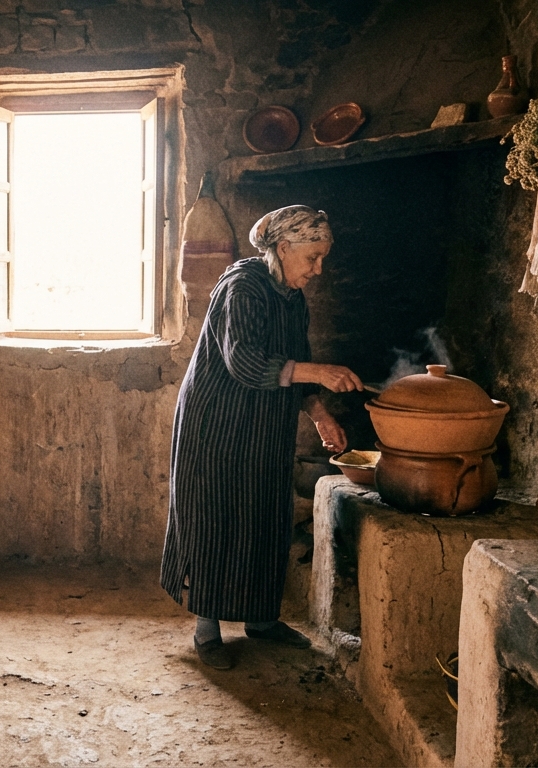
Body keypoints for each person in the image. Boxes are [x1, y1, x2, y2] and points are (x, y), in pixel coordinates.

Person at [160, 205, 362, 670]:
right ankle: (206, 631)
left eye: (323, 259)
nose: (318, 269)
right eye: (312, 257)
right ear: (283, 248)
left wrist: (318, 414)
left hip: (265, 422)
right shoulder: (242, 287)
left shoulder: (292, 296)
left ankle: (260, 619)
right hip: (218, 421)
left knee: (265, 512)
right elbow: (245, 362)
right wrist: (322, 373)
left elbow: (297, 360)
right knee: (218, 516)